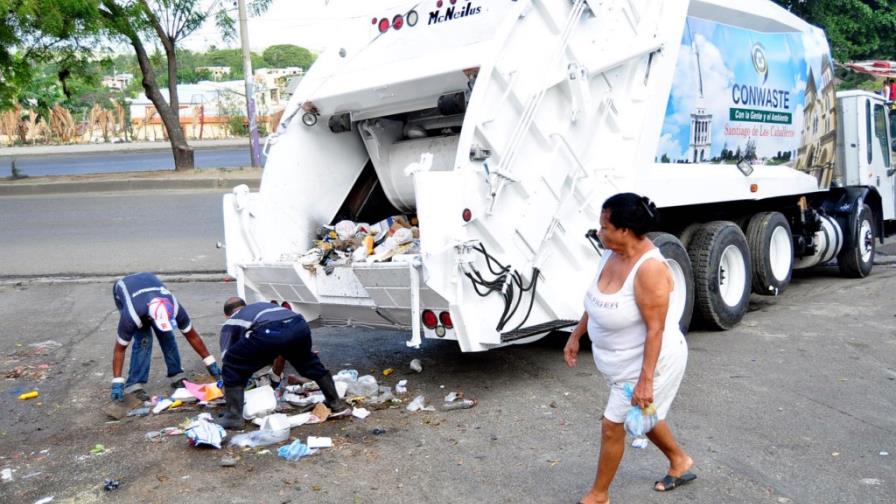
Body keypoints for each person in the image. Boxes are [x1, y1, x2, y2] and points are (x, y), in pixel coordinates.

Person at [564, 193, 693, 503]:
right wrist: (576, 334)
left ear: (624, 230)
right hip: (618, 363)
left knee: (613, 425)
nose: (599, 232)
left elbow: (656, 329)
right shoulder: (610, 254)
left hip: (649, 362)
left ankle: (599, 494)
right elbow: (595, 302)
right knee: (644, 416)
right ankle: (679, 460)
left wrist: (645, 381)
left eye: (605, 227)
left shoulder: (649, 269)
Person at [215, 297, 350, 429]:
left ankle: (234, 417)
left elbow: (227, 357)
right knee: (308, 363)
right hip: (299, 324)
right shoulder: (259, 307)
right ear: (245, 305)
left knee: (232, 365)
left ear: (227, 315)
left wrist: (228, 380)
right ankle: (335, 402)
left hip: (270, 330)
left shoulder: (232, 321)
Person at [111, 272, 221, 402]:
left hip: (148, 281)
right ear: (149, 317)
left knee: (167, 335)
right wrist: (117, 382)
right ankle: (133, 385)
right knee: (144, 339)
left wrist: (210, 362)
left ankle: (176, 374)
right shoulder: (132, 316)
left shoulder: (175, 309)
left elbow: (192, 336)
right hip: (125, 289)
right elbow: (120, 349)